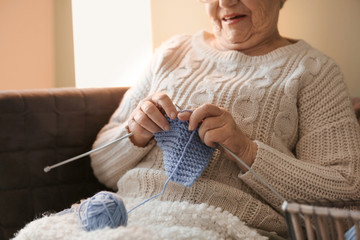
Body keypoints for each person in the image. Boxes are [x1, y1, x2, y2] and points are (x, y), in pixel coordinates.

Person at [14, 0, 360, 239]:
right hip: (125, 212)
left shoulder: (313, 70)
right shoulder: (172, 52)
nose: (226, 2)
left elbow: (345, 187)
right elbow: (102, 165)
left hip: (223, 225)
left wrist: (247, 150)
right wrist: (135, 134)